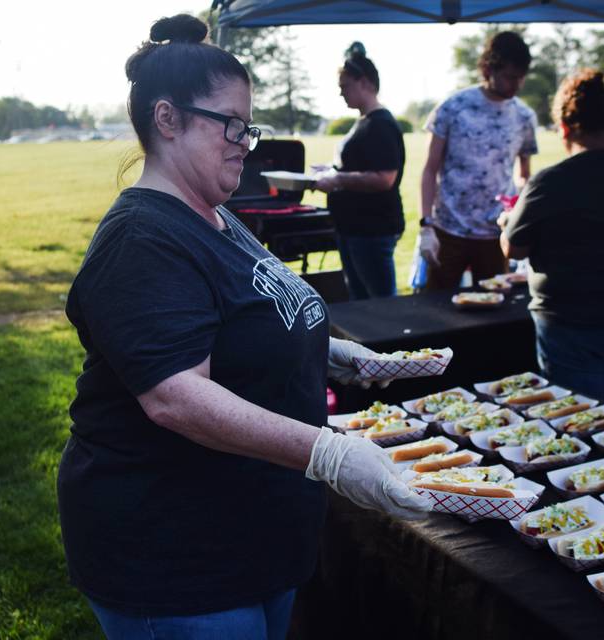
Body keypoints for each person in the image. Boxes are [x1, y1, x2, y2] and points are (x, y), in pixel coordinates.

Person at [57, 15, 428, 640]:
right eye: (230, 124)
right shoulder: (142, 239)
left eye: (248, 126)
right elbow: (177, 397)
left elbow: (241, 317)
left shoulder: (217, 216)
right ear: (168, 119)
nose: (245, 142)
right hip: (176, 559)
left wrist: (331, 352)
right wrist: (328, 454)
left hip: (253, 540)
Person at [500, 69, 604, 414]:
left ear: (564, 128)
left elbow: (514, 248)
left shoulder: (550, 182)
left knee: (579, 418)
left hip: (570, 321)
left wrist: (506, 221)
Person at [419, 31, 539, 290]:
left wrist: (517, 211)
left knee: (494, 315)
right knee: (436, 312)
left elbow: (524, 174)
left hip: (496, 236)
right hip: (448, 232)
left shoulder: (524, 116)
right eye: (509, 76)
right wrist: (426, 227)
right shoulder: (453, 107)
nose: (516, 85)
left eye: (521, 78)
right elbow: (429, 169)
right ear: (488, 68)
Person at [315, 42, 405, 300]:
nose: (341, 93)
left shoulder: (381, 125)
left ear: (364, 82)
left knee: (380, 306)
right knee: (361, 302)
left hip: (372, 230)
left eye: (345, 87)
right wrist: (331, 170)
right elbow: (361, 166)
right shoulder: (364, 122)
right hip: (355, 228)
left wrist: (336, 179)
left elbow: (384, 178)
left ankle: (389, 343)